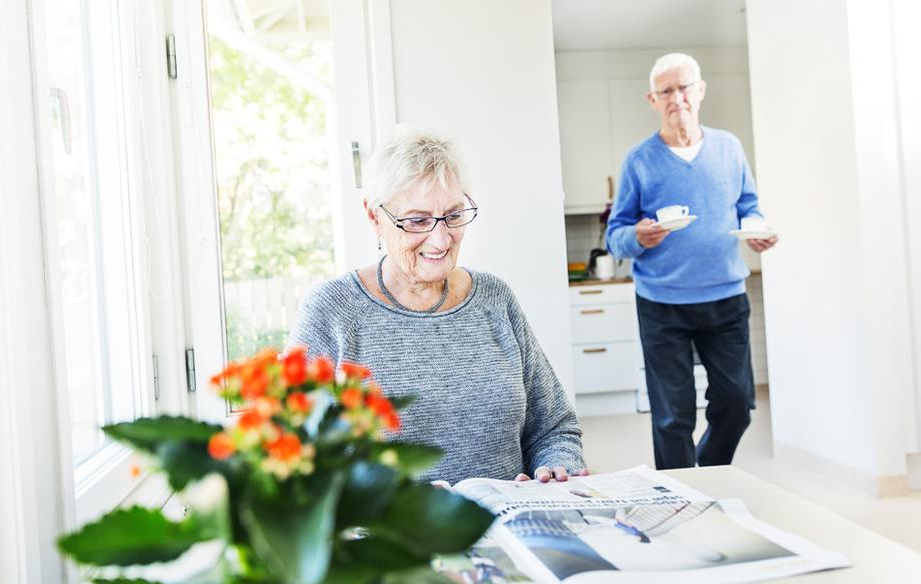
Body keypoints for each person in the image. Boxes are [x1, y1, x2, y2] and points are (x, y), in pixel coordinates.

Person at [288, 125, 586, 484]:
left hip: (511, 531)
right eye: (417, 220)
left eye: (454, 215)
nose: (441, 239)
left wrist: (557, 466)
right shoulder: (333, 311)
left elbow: (554, 428)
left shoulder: (496, 299)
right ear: (374, 217)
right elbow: (288, 451)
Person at [606, 53, 778, 470]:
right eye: (666, 91)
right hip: (662, 303)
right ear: (653, 99)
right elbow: (616, 237)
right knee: (671, 417)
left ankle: (703, 476)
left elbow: (748, 206)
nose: (677, 97)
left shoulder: (729, 147)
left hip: (725, 297)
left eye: (684, 87)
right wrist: (638, 236)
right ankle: (680, 500)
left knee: (737, 405)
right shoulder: (639, 160)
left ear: (700, 91)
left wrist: (757, 230)